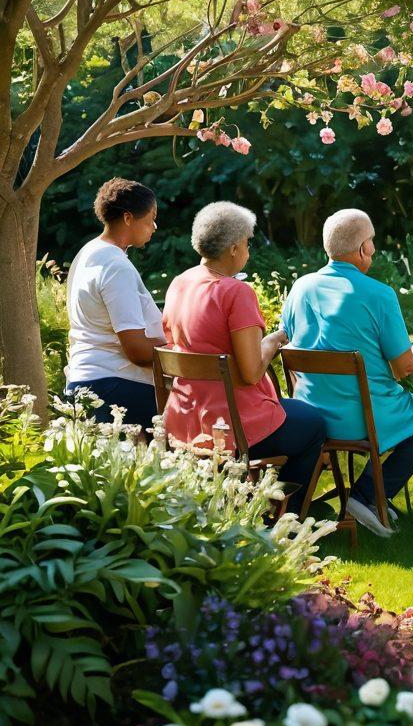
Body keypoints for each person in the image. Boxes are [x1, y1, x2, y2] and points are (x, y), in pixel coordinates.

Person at [282, 209, 413, 536]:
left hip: (310, 414)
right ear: (363, 248)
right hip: (364, 416)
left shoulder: (301, 287)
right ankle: (368, 493)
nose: (374, 249)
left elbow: (291, 342)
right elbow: (402, 368)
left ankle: (369, 495)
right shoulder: (380, 294)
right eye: (372, 241)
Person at [161, 202, 323, 516]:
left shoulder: (179, 283)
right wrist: (275, 339)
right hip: (234, 424)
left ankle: (254, 505)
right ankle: (286, 519)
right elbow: (251, 372)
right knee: (314, 424)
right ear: (234, 248)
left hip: (185, 418)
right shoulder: (236, 293)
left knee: (300, 417)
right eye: (247, 243)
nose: (247, 249)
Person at [65, 178, 165, 428]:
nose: (154, 226)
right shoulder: (115, 265)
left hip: (84, 380)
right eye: (150, 217)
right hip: (115, 385)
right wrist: (175, 346)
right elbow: (138, 350)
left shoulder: (88, 251)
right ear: (128, 217)